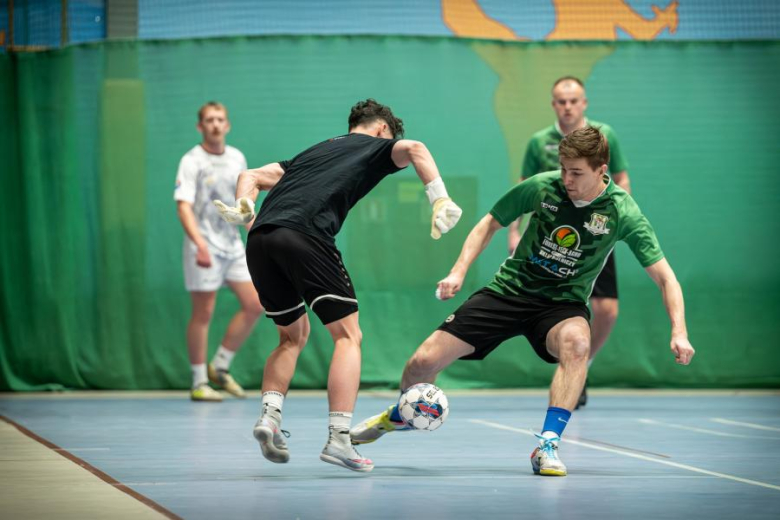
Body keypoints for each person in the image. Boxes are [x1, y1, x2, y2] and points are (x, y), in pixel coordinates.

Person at [351, 126, 694, 477]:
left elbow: (666, 277)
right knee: (423, 362)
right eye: (563, 169)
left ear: (601, 169)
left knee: (577, 344)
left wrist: (678, 331)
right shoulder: (543, 186)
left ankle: (547, 445)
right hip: (509, 292)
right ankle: (400, 415)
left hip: (562, 305)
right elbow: (489, 222)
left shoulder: (622, 212)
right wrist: (458, 271)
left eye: (576, 172)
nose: (567, 179)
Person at [214, 99, 463, 473]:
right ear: (381, 129)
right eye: (389, 135)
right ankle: (339, 439)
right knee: (348, 337)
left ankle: (269, 418)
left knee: (291, 336)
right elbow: (416, 150)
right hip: (306, 235)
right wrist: (439, 198)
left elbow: (250, 174)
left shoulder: (312, 153)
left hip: (261, 238)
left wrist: (245, 204)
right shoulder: (376, 145)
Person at [508, 76, 631, 408]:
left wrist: (618, 223)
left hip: (593, 235)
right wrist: (514, 230)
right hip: (550, 239)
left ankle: (582, 366)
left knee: (607, 309)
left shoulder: (606, 137)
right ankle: (568, 365)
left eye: (573, 100)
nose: (567, 106)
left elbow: (620, 179)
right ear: (554, 105)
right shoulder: (539, 142)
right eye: (561, 101)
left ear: (584, 103)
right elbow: (524, 185)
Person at [174, 101, 264, 402]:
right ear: (201, 126)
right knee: (204, 312)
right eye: (209, 120)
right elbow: (183, 205)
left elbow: (243, 203)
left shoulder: (237, 157)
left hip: (233, 246)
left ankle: (220, 367)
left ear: (227, 125)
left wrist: (255, 232)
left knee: (255, 304)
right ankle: (199, 381)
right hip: (204, 247)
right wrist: (199, 244)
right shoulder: (192, 160)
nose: (215, 124)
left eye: (220, 119)